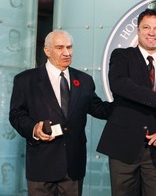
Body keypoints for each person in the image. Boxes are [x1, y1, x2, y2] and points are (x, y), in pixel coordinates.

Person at [9, 30, 112, 196]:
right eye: (60, 47)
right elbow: (16, 114)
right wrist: (34, 128)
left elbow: (98, 108)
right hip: (41, 165)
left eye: (69, 47)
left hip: (73, 167)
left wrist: (126, 102)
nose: (67, 52)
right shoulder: (26, 80)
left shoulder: (84, 80)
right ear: (47, 51)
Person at [97, 9, 156, 196]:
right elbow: (120, 84)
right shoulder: (122, 56)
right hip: (123, 148)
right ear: (138, 30)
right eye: (146, 27)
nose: (151, 32)